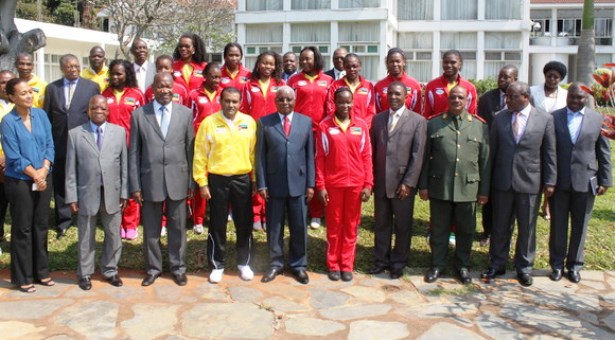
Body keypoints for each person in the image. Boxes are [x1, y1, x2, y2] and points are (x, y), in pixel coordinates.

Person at [482, 81, 556, 287]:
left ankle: (524, 267)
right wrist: (487, 182)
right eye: (506, 96)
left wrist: (550, 181)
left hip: (530, 181)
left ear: (525, 97)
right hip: (502, 182)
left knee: (527, 227)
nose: (507, 100)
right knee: (500, 226)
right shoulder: (499, 118)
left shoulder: (544, 119)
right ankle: (497, 263)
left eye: (512, 97)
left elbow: (549, 153)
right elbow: (492, 153)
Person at [418, 86, 490, 284]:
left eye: (461, 97)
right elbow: (425, 159)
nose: (456, 100)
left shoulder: (479, 126)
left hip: (468, 188)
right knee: (439, 229)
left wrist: (484, 191)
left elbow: (485, 161)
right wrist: (423, 185)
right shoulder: (433, 124)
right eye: (453, 97)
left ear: (467, 100)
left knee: (466, 230)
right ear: (447, 100)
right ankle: (437, 265)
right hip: (440, 186)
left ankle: (463, 266)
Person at [129, 72, 194, 287]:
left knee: (178, 228)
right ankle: (153, 269)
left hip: (178, 179)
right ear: (153, 88)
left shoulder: (185, 114)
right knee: (151, 230)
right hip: (150, 180)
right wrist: (135, 185)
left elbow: (190, 150)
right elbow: (134, 153)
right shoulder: (139, 115)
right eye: (160, 86)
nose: (164, 90)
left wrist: (191, 182)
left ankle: (178, 268)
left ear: (173, 87)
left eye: (168, 86)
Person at [548, 83, 612, 283]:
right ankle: (557, 265)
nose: (575, 101)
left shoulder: (597, 119)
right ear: (567, 97)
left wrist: (605, 179)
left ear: (587, 98)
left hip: (586, 181)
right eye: (572, 97)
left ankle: (575, 265)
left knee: (580, 226)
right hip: (560, 182)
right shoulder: (554, 117)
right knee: (558, 226)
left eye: (579, 98)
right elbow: (549, 151)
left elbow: (603, 152)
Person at [193, 87, 257, 284]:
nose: (231, 105)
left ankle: (243, 262)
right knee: (217, 223)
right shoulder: (209, 123)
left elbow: (253, 154)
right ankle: (217, 264)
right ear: (220, 101)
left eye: (235, 102)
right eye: (227, 101)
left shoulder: (249, 122)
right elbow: (200, 155)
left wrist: (254, 180)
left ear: (240, 103)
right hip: (217, 179)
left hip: (242, 179)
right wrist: (202, 183)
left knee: (244, 223)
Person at [65, 95, 128, 291]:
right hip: (86, 193)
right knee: (86, 235)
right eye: (94, 107)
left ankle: (110, 269)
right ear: (88, 111)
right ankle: (85, 273)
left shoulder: (118, 132)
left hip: (112, 193)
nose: (98, 111)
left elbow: (124, 165)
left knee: (113, 234)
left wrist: (124, 192)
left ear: (108, 111)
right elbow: (70, 169)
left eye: (102, 108)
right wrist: (72, 196)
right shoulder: (75, 134)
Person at [1, 78, 55, 293]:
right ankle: (22, 277)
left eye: (30, 92)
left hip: (43, 176)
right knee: (22, 228)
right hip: (20, 181)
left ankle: (41, 272)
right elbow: (13, 156)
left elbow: (50, 144)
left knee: (41, 226)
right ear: (12, 97)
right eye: (22, 93)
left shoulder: (41, 115)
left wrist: (44, 169)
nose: (29, 96)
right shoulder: (8, 121)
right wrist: (35, 174)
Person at [257, 86, 314, 284]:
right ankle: (275, 264)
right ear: (275, 101)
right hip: (274, 184)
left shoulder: (305, 122)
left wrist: (311, 184)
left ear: (295, 100)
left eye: (289, 99)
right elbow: (260, 157)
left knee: (299, 226)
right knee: (274, 227)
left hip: (299, 183)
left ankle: (299, 265)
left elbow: (309, 156)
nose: (285, 103)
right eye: (281, 99)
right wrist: (262, 184)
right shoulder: (265, 123)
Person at [369, 81, 426, 279]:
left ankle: (398, 263)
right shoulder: (377, 120)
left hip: (403, 184)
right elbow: (372, 151)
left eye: (397, 94)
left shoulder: (418, 121)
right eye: (390, 94)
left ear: (406, 96)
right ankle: (381, 261)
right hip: (382, 182)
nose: (393, 97)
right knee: (381, 224)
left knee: (403, 226)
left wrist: (409, 183)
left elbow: (417, 155)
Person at [316, 87, 373, 282]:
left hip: (355, 185)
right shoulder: (325, 126)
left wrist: (368, 183)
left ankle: (347, 265)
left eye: (349, 102)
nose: (345, 105)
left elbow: (366, 156)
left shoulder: (361, 126)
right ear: (334, 103)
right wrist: (321, 185)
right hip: (333, 184)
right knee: (334, 225)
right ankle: (333, 264)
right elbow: (320, 158)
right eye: (341, 102)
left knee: (351, 226)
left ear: (353, 103)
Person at [44, 54, 100, 239]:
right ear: (62, 68)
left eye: (76, 66)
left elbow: (96, 116)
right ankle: (63, 221)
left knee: (85, 179)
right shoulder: (52, 88)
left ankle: (86, 214)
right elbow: (47, 117)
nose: (73, 69)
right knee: (60, 181)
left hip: (84, 141)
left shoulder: (91, 87)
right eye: (69, 67)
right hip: (59, 142)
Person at [287, 46, 334, 229]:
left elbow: (331, 108)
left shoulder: (328, 80)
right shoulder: (294, 80)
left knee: (317, 172)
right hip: (298, 132)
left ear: (317, 59)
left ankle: (316, 213)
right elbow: (287, 106)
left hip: (319, 133)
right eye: (302, 59)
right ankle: (300, 209)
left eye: (309, 59)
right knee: (299, 170)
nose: (305, 62)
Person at [240, 50, 285, 231]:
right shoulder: (249, 85)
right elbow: (243, 110)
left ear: (276, 66)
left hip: (275, 132)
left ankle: (269, 214)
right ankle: (256, 215)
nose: (268, 67)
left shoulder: (280, 84)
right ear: (258, 64)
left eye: (271, 64)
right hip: (255, 133)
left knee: (273, 173)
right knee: (257, 173)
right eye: (264, 63)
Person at [102, 59, 145, 240]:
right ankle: (117, 221)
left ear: (127, 74)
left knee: (131, 184)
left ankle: (131, 223)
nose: (116, 77)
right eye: (113, 73)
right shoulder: (104, 94)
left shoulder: (136, 94)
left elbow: (144, 120)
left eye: (120, 73)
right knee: (114, 185)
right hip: (110, 147)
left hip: (131, 146)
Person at [477, 65, 518, 247]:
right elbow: (480, 124)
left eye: (506, 77)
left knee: (509, 199)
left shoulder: (522, 99)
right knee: (489, 197)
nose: (501, 80)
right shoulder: (487, 98)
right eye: (500, 76)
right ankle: (487, 231)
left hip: (511, 157)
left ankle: (504, 232)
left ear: (515, 79)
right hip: (490, 154)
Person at [531, 61, 568, 221]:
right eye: (549, 75)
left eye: (556, 77)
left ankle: (547, 204)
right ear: (544, 75)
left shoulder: (566, 95)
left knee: (552, 171)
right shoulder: (532, 91)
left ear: (560, 79)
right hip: (536, 136)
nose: (552, 79)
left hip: (557, 137)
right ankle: (536, 199)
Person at [189, 62, 222, 234]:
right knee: (200, 180)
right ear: (205, 77)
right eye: (213, 76)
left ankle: (215, 215)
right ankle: (198, 219)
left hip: (219, 143)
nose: (217, 80)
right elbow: (189, 117)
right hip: (199, 142)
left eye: (219, 77)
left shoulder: (223, 94)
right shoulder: (194, 94)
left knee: (216, 181)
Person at [423, 50, 477, 118]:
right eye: (445, 62)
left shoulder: (469, 87)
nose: (448, 65)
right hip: (438, 127)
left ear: (459, 64)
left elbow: (472, 114)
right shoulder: (432, 86)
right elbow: (427, 113)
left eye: (453, 62)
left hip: (461, 127)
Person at [326, 53, 376, 128]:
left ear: (360, 67)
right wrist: (341, 126)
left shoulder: (368, 86)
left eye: (354, 66)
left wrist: (362, 127)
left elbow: (371, 111)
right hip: (340, 129)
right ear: (344, 67)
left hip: (361, 130)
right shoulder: (336, 85)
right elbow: (330, 108)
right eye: (348, 67)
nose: (351, 69)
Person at [374, 48, 422, 114]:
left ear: (404, 62)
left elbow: (418, 112)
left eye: (398, 61)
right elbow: (376, 112)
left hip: (408, 123)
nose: (395, 64)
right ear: (387, 63)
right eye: (391, 62)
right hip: (385, 123)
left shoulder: (414, 85)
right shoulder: (379, 86)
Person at [0, 70, 16, 247]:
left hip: (17, 165)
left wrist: (8, 156)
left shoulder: (23, 106)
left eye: (9, 82)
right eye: (2, 82)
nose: (5, 86)